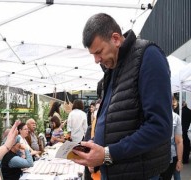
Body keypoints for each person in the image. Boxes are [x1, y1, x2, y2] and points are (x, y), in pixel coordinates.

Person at [73, 13, 172, 179]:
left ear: (116, 39)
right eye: (93, 55)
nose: (96, 60)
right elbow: (117, 121)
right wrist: (98, 145)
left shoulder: (148, 56)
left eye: (99, 52)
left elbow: (160, 126)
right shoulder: (112, 69)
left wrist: (107, 153)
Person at [159, 109, 183, 180]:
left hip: (167, 157)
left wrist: (179, 161)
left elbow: (179, 141)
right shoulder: (175, 117)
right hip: (156, 158)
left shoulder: (176, 117)